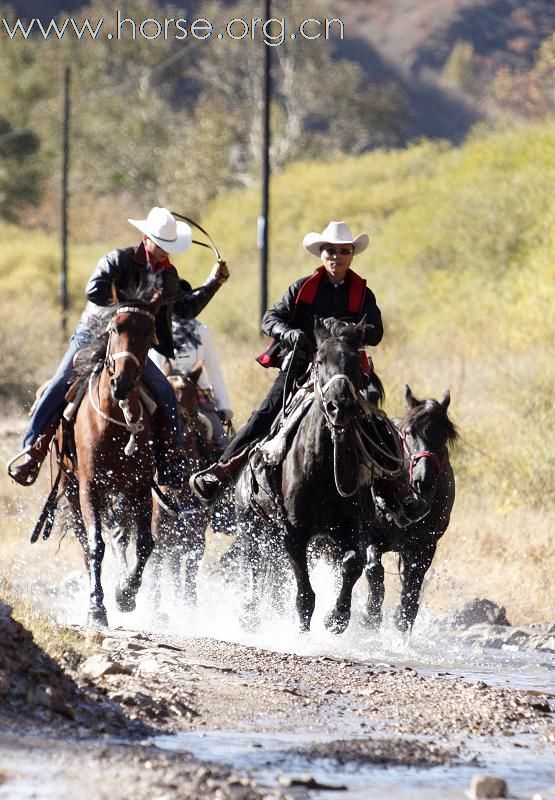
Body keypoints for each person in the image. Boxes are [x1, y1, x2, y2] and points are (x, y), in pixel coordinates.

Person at [8, 207, 229, 487]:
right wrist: (131, 306)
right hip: (93, 335)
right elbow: (94, 289)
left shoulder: (169, 275)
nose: (163, 251)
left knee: (165, 393)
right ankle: (31, 451)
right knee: (60, 384)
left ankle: (170, 461)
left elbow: (184, 309)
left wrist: (213, 283)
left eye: (168, 246)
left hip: (129, 347)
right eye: (160, 244)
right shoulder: (118, 259)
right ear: (145, 238)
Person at [190, 220, 389, 504]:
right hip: (302, 366)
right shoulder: (302, 287)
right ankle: (221, 472)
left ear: (352, 254)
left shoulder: (363, 293)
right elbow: (270, 319)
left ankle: (394, 489)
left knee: (374, 418)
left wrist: (347, 332)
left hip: (345, 371)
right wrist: (288, 333)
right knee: (266, 414)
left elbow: (377, 332)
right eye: (330, 251)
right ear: (321, 253)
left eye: (343, 251)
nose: (336, 256)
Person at [150, 317, 233, 454]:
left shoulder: (202, 331)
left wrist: (223, 406)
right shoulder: (153, 328)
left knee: (224, 445)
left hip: (196, 397)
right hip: (162, 397)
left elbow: (214, 371)